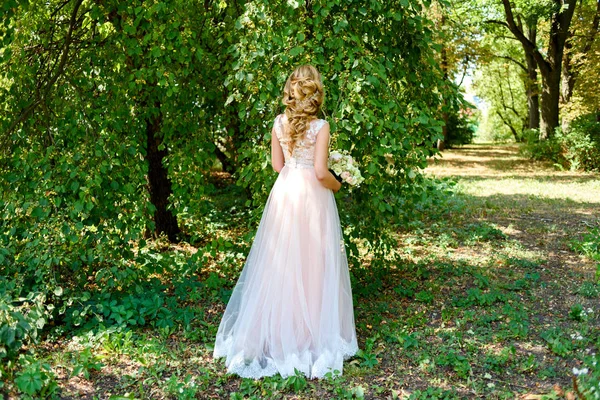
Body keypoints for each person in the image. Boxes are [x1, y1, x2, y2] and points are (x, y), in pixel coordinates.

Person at [213, 65, 358, 379]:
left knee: (281, 262)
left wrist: (298, 167)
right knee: (312, 263)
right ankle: (308, 337)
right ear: (315, 92)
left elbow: (278, 166)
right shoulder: (321, 127)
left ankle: (279, 332)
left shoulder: (278, 123)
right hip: (313, 197)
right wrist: (338, 183)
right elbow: (321, 172)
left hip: (285, 193)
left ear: (292, 90)